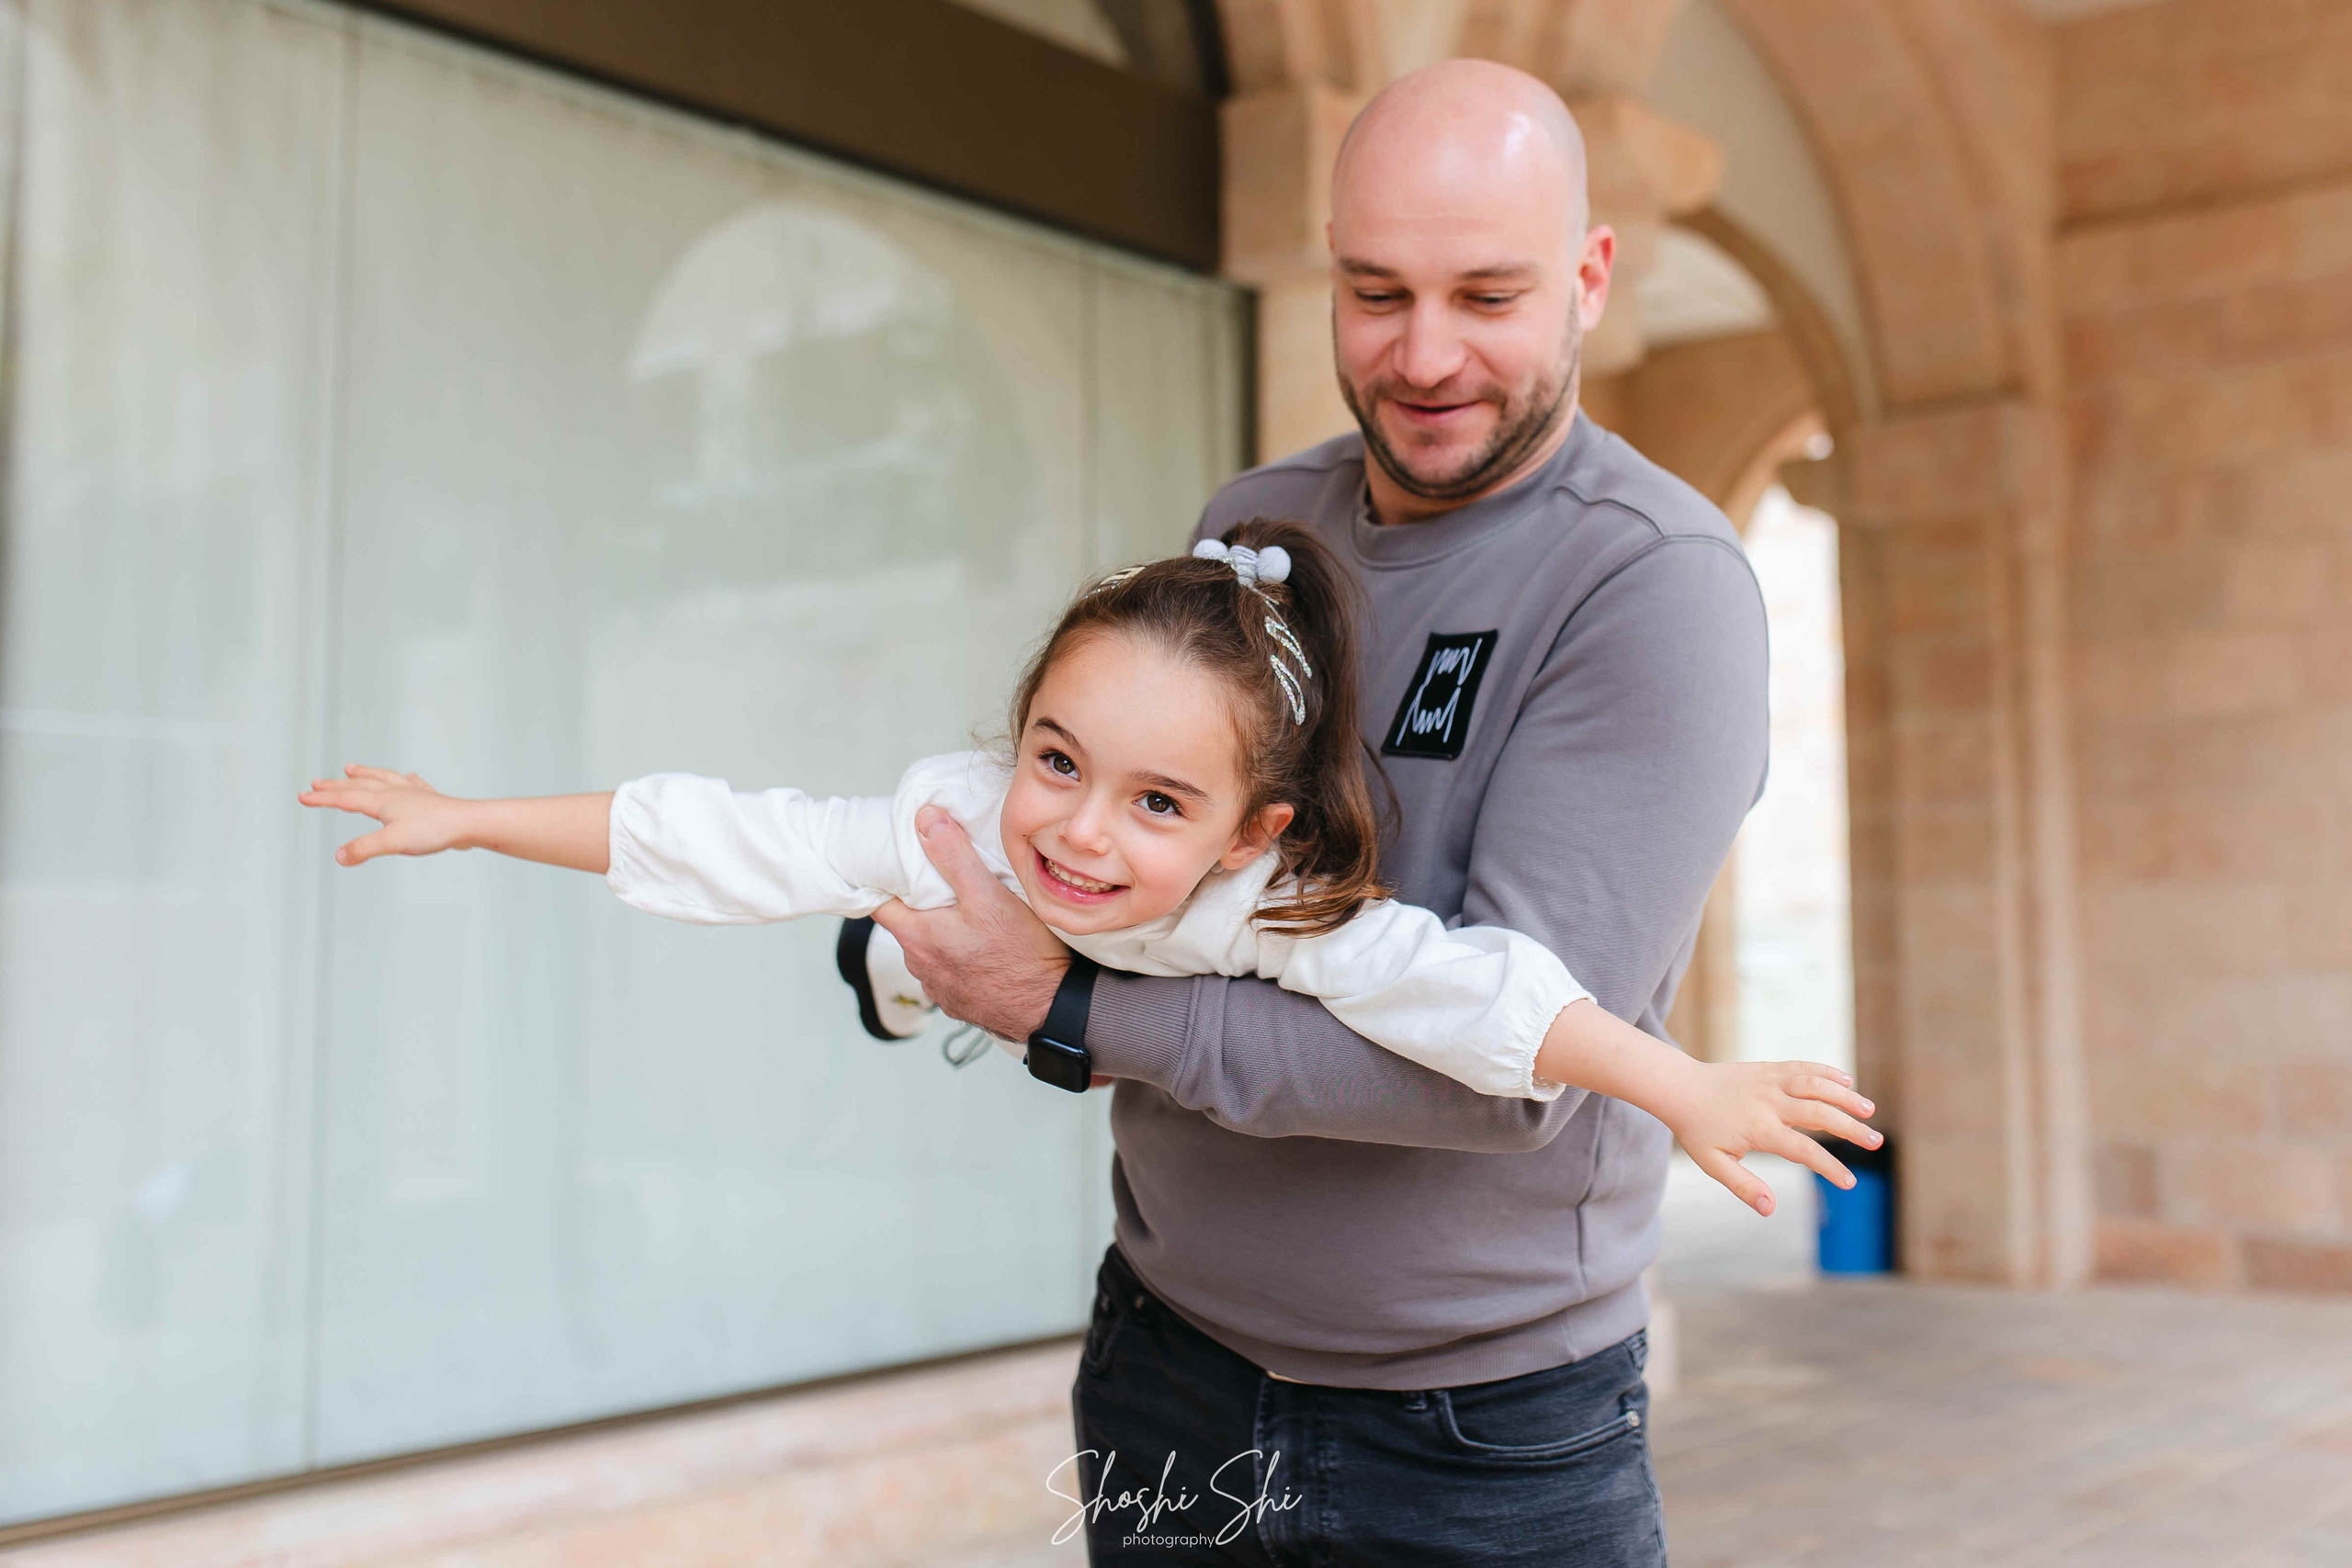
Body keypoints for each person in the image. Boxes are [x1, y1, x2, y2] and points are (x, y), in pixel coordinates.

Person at [868, 58, 1775, 1565]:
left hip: (1480, 1438)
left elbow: (1507, 1068)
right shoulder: (1254, 524)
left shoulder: (1656, 589)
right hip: (1170, 1370)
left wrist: (1071, 1011)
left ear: (1590, 278)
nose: (1424, 357)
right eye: (1376, 292)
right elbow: (1159, 864)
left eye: (1488, 297)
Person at [299, 518, 1874, 1201]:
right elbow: (717, 833)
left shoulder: (1281, 909)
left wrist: (1686, 1088)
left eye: (1156, 804)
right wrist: (474, 817)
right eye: (1059, 759)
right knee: (892, 927)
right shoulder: (968, 821)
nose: (1080, 831)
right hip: (935, 951)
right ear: (1017, 740)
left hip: (1077, 1013)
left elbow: (1486, 1002)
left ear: (1254, 832)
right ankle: (901, 980)